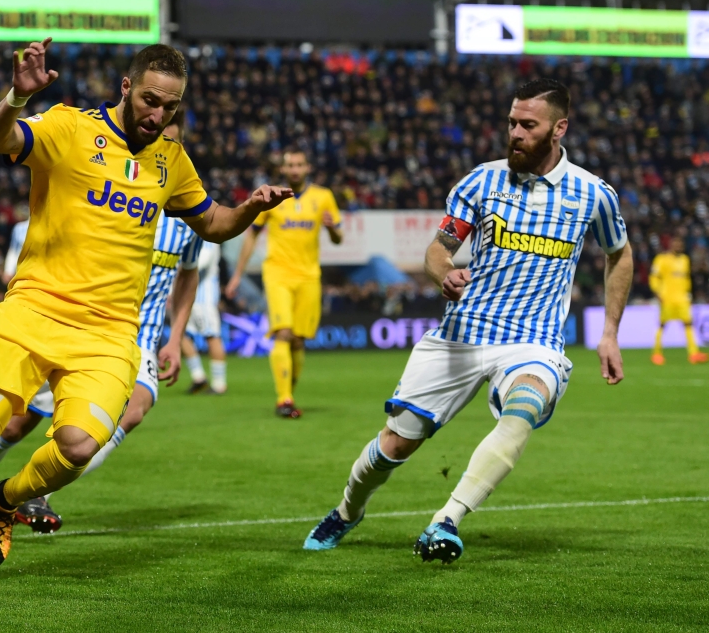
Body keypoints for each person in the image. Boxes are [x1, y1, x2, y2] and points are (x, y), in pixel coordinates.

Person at [0, 39, 291, 574]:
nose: (159, 114)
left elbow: (215, 224)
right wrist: (17, 95)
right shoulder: (69, 127)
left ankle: (4, 502)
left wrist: (250, 208)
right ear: (127, 88)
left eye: (171, 107)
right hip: (31, 310)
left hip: (109, 333)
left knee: (79, 446)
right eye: (151, 100)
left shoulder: (171, 161)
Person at [302, 79, 632, 563]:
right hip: (460, 335)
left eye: (528, 125)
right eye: (511, 123)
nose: (515, 133)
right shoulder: (481, 181)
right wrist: (445, 274)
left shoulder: (592, 194)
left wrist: (609, 333)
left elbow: (619, 254)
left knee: (523, 410)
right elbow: (438, 250)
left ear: (559, 128)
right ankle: (347, 511)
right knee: (396, 444)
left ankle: (447, 520)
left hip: (532, 342)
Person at [0, 115, 204, 534]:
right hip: (77, 328)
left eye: (170, 142)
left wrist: (175, 339)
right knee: (14, 423)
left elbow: (188, 276)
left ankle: (36, 495)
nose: (158, 148)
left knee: (133, 411)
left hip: (134, 340)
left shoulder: (187, 219)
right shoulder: (105, 196)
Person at [226, 148, 343, 418]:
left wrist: (332, 228)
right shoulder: (272, 196)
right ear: (283, 169)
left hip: (309, 276)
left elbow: (338, 238)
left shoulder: (323, 197)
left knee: (299, 340)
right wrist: (237, 275)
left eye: (299, 164)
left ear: (307, 168)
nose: (294, 169)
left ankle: (287, 390)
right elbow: (251, 236)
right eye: (290, 165)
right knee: (283, 333)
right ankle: (284, 399)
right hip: (277, 273)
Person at [649, 236, 709, 365]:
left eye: (680, 244)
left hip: (682, 298)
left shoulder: (685, 259)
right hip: (667, 298)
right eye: (676, 243)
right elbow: (654, 277)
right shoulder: (661, 259)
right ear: (671, 245)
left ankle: (693, 353)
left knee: (688, 324)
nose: (678, 246)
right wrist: (657, 292)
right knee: (662, 325)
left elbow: (686, 279)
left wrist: (688, 294)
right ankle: (657, 353)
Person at [182, 240, 228, 394]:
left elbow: (204, 260)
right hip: (186, 296)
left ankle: (219, 384)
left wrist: (177, 267)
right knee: (179, 334)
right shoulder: (189, 231)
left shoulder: (207, 235)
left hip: (204, 297)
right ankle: (198, 377)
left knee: (212, 335)